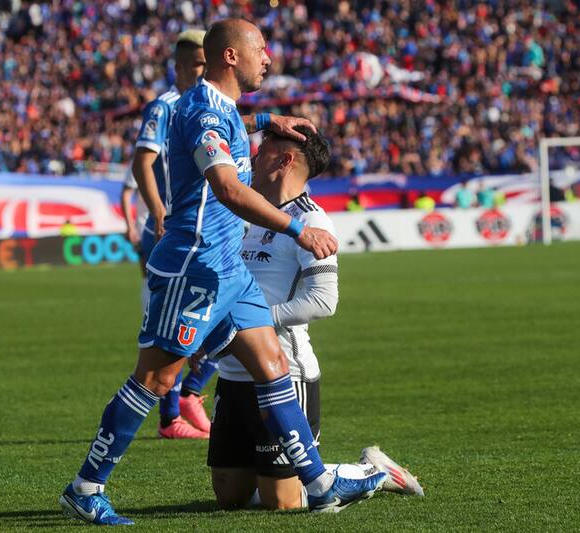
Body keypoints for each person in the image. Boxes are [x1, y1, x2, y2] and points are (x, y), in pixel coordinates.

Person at [59, 19, 385, 526]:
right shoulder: (203, 110)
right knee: (156, 378)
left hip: (228, 269)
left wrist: (271, 119)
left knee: (272, 364)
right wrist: (297, 228)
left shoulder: (221, 108)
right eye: (261, 49)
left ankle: (319, 484)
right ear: (231, 56)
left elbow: (228, 123)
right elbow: (229, 189)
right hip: (195, 267)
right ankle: (86, 487)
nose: (269, 58)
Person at [208, 126, 423, 510]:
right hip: (233, 371)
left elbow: (323, 301)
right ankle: (299, 476)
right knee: (229, 494)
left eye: (263, 149)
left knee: (283, 501)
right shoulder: (249, 212)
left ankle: (371, 470)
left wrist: (253, 323)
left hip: (284, 371)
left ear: (285, 159)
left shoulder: (312, 221)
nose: (253, 156)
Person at [129, 29, 218, 440]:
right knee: (175, 324)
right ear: (180, 67)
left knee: (216, 317)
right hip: (169, 228)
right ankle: (171, 415)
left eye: (207, 64)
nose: (203, 72)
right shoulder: (164, 106)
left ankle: (188, 395)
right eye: (197, 64)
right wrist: (158, 211)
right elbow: (141, 163)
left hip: (200, 227)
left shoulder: (205, 104)